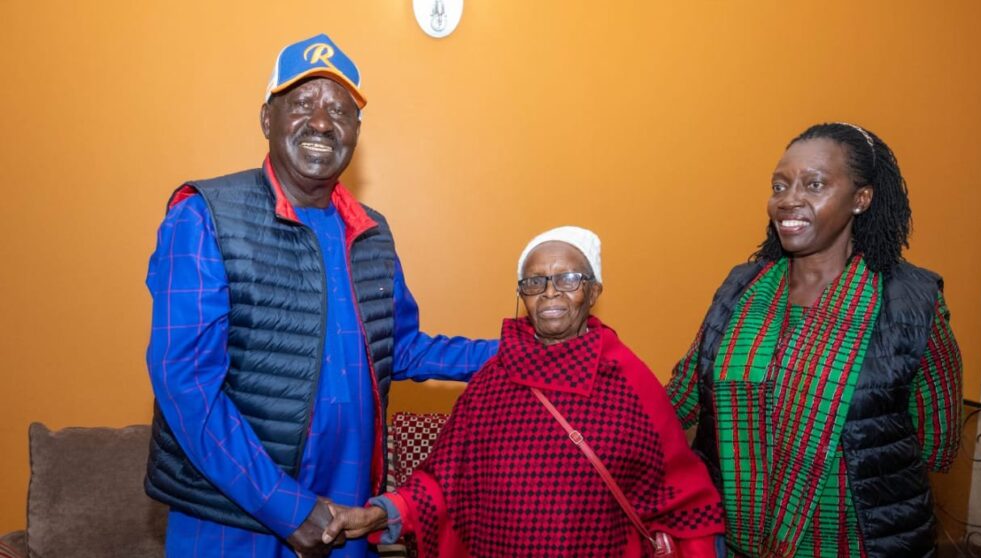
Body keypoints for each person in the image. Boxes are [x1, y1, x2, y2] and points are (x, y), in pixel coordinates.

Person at [143, 33, 497, 558]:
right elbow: (186, 386)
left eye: (340, 109)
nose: (322, 122)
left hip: (344, 516)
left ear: (357, 131)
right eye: (303, 103)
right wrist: (285, 506)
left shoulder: (371, 231)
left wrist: (513, 348)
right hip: (233, 520)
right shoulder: (204, 215)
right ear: (268, 119)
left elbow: (400, 348)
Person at [324, 226, 726, 557]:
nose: (550, 293)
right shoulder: (492, 380)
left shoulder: (629, 382)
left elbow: (682, 501)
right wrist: (379, 514)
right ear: (523, 295)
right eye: (535, 282)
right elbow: (442, 483)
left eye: (569, 279)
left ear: (595, 291)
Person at [666, 123, 963, 557]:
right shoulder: (742, 287)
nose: (789, 199)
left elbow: (937, 441)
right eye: (779, 185)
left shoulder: (911, 302)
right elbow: (682, 397)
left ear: (861, 199)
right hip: (732, 541)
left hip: (859, 544)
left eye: (815, 184)